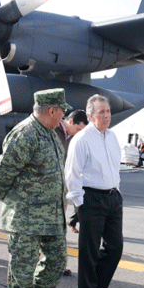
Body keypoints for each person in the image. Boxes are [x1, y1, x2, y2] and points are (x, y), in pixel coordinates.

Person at [0, 89, 71, 288]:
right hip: (25, 218)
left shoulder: (50, 134)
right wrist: (15, 204)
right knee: (22, 271)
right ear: (52, 110)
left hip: (52, 217)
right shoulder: (25, 134)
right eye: (62, 111)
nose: (64, 116)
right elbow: (2, 175)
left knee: (56, 264)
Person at [65, 94, 123, 288]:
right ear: (90, 116)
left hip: (112, 198)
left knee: (115, 247)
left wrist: (117, 192)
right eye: (102, 112)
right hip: (91, 199)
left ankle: (97, 286)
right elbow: (72, 174)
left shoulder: (112, 137)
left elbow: (114, 168)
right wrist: (80, 204)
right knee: (89, 250)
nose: (107, 115)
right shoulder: (82, 139)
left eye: (108, 111)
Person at [55, 109, 89, 267]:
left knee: (60, 225)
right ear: (70, 122)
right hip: (48, 188)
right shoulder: (53, 130)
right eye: (78, 129)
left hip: (64, 188)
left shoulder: (75, 139)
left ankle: (57, 265)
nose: (79, 133)